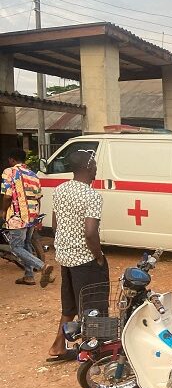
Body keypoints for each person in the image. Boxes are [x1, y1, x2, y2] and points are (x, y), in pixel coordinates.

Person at [47, 150, 107, 362]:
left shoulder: (60, 190)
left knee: (70, 304)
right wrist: (98, 256)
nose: (96, 170)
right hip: (85, 259)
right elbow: (90, 233)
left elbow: (55, 224)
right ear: (88, 167)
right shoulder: (92, 196)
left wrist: (65, 246)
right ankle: (91, 353)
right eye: (95, 166)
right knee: (93, 306)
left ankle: (58, 346)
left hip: (65, 258)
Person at [2, 148, 53, 287]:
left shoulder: (9, 172)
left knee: (16, 247)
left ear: (12, 159)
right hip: (32, 215)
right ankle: (29, 276)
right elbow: (38, 198)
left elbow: (7, 196)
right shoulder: (33, 175)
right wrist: (36, 217)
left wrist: (2, 211)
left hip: (17, 217)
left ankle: (42, 266)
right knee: (26, 244)